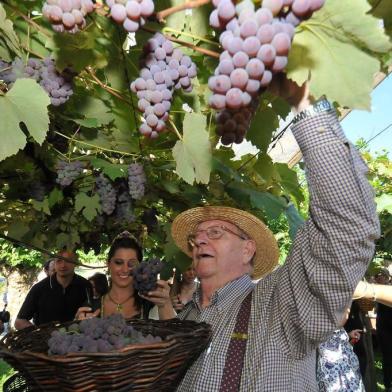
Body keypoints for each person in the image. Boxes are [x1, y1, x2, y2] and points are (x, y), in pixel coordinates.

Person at [151, 80, 380, 391]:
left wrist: (302, 99)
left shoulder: (280, 301)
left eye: (215, 232)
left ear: (248, 249)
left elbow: (348, 225)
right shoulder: (187, 320)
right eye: (196, 238)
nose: (199, 241)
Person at [76, 232, 155, 320]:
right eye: (118, 262)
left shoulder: (150, 303)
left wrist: (165, 305)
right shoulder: (91, 307)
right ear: (108, 264)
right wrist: (78, 325)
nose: (125, 270)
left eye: (132, 264)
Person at [14, 249, 91, 330]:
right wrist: (39, 333)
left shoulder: (85, 285)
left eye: (68, 261)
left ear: (75, 263)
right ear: (54, 263)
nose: (63, 265)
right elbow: (19, 321)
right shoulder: (39, 288)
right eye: (59, 261)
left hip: (77, 339)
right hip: (45, 340)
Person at [374, 269, 392, 392]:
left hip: (386, 327)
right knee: (388, 357)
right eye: (377, 277)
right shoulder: (378, 290)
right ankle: (387, 385)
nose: (377, 278)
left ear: (386, 277)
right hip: (384, 329)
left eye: (379, 276)